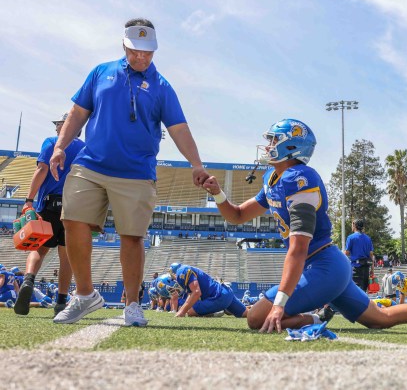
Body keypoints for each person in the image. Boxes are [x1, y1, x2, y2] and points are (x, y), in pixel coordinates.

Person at [202, 118, 407, 333]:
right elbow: (237, 215)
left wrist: (278, 306)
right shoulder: (273, 179)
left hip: (322, 266)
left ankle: (315, 317)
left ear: (290, 145)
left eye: (274, 140)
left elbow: (298, 249)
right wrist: (217, 193)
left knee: (255, 317)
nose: (267, 145)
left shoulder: (299, 179)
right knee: (379, 319)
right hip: (325, 266)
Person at [49, 18, 210, 326]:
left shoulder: (162, 87)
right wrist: (60, 146)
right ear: (124, 45)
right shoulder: (100, 72)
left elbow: (178, 128)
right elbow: (78, 112)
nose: (141, 57)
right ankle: (85, 295)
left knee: (132, 237)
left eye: (148, 52)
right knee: (71, 220)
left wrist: (196, 164)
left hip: (136, 172)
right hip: (91, 164)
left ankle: (133, 304)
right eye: (136, 50)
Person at [14, 113, 84, 317]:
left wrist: (28, 200)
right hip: (74, 206)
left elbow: (42, 169)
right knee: (66, 257)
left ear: (67, 125)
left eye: (59, 124)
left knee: (38, 248)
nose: (56, 128)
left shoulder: (52, 142)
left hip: (49, 203)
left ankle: (28, 280)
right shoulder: (84, 148)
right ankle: (61, 302)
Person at [167, 264, 247, 318]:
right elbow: (191, 294)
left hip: (218, 295)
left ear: (174, 272)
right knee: (247, 314)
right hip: (226, 291)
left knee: (190, 312)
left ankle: (216, 312)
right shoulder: (186, 269)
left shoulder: (182, 271)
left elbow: (196, 292)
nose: (174, 279)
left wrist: (182, 312)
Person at [344, 219, 375, 292]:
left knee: (356, 291)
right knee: (364, 290)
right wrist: (372, 269)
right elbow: (371, 255)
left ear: (354, 225)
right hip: (366, 267)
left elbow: (347, 252)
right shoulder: (368, 238)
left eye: (352, 224)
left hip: (356, 267)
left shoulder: (351, 237)